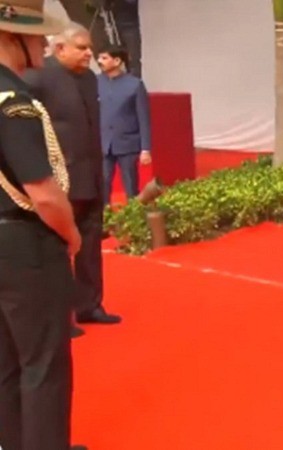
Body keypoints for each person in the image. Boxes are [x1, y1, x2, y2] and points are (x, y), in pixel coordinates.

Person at [0, 2, 87, 449]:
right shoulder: (13, 99)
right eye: (35, 37)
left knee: (10, 365)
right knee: (44, 368)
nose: (42, 45)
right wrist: (72, 235)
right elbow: (43, 190)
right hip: (25, 244)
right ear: (12, 36)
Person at [23, 22, 122, 334]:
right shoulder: (37, 77)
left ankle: (89, 305)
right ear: (60, 48)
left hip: (92, 176)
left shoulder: (91, 79)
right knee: (57, 251)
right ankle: (59, 316)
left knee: (90, 246)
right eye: (82, 48)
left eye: (89, 48)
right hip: (58, 181)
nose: (89, 53)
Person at [97, 44, 151, 204]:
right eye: (99, 57)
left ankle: (134, 217)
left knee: (130, 184)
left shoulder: (134, 84)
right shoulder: (95, 82)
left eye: (104, 58)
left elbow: (144, 118)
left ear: (117, 61)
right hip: (103, 144)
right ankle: (105, 216)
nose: (100, 61)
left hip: (128, 144)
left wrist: (145, 149)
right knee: (103, 182)